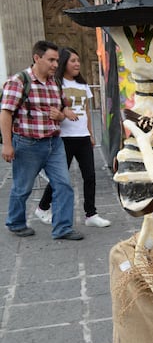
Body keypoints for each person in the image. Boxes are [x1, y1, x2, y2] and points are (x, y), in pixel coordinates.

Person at [0, 40, 83, 240]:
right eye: (51, 60)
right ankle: (16, 222)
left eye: (57, 60)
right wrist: (8, 144)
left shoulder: (55, 82)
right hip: (27, 145)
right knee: (22, 188)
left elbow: (62, 107)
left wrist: (62, 114)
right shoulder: (18, 81)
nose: (56, 64)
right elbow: (6, 113)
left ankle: (63, 228)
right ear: (37, 58)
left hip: (54, 144)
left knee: (63, 185)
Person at [34, 48, 111, 228]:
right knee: (60, 178)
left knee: (90, 176)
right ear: (64, 64)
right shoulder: (56, 84)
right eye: (73, 61)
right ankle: (43, 207)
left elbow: (86, 112)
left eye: (78, 60)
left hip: (82, 137)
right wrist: (62, 113)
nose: (77, 64)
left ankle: (91, 214)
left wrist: (91, 134)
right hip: (64, 138)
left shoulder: (83, 85)